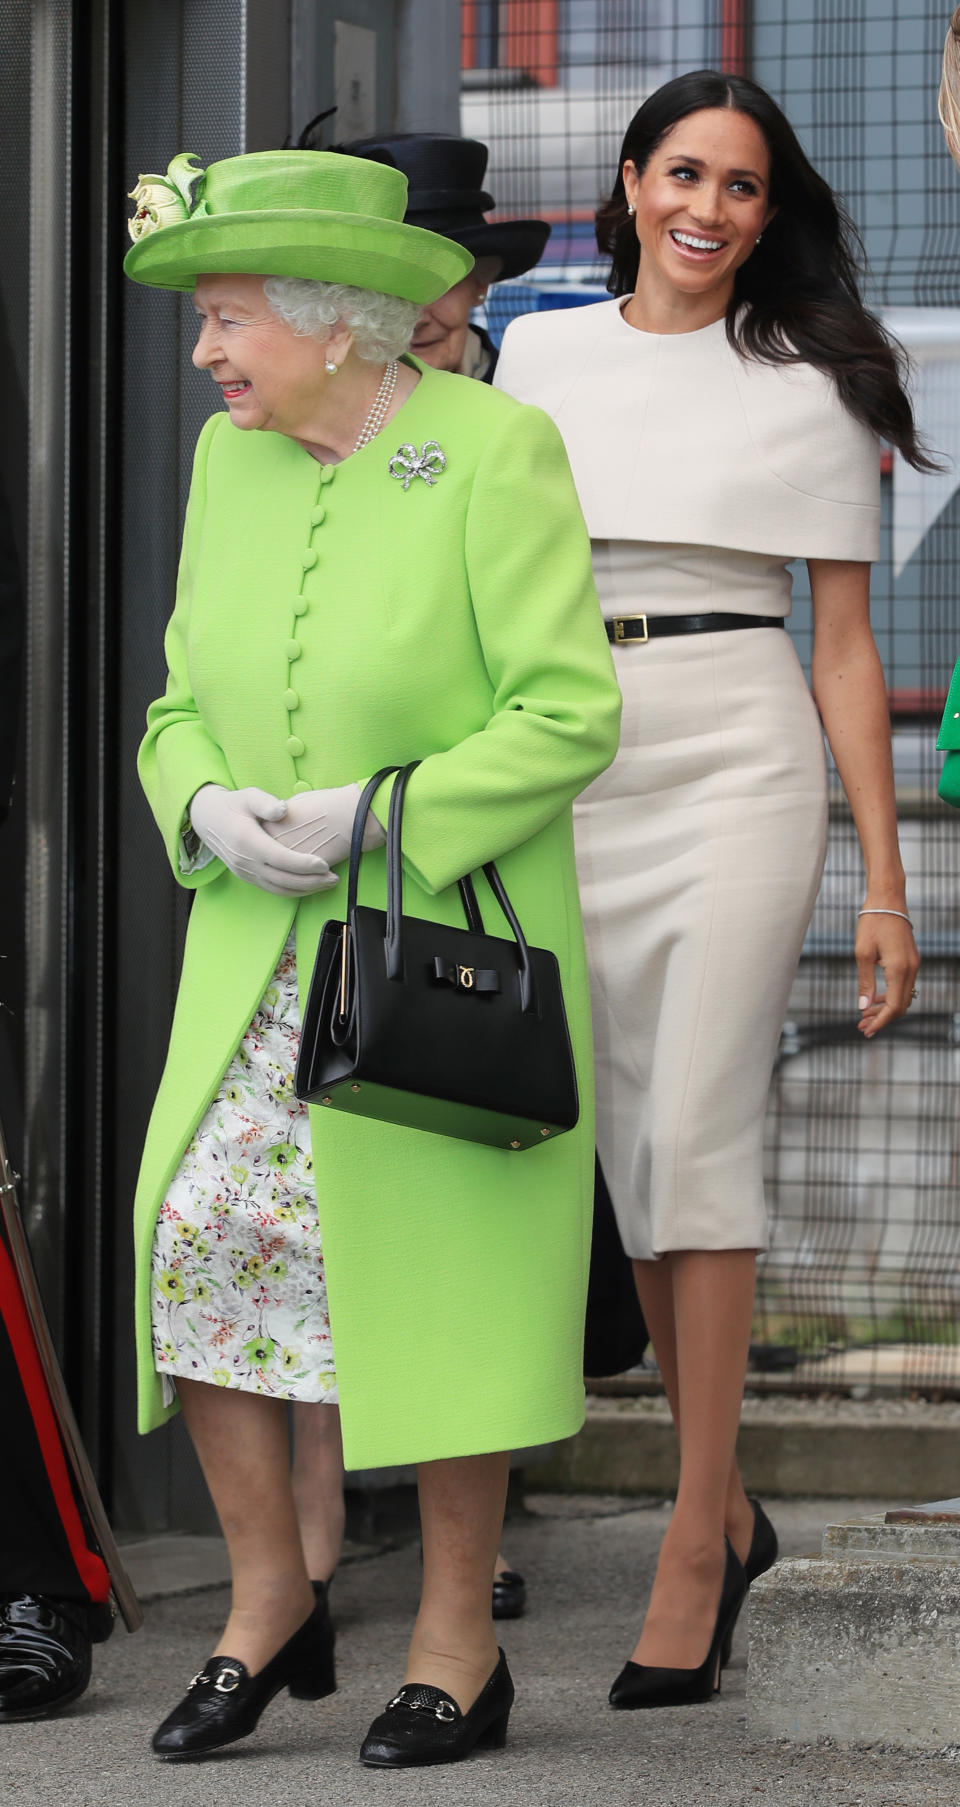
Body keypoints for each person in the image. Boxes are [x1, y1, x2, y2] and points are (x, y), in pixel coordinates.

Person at [124, 148, 621, 1764]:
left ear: (342, 324)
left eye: (230, 318)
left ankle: (456, 1637)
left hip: (434, 946)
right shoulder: (227, 457)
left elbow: (567, 713)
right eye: (206, 320)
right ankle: (269, 1601)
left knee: (433, 1290)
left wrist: (375, 814)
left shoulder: (494, 450)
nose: (208, 352)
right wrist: (201, 795)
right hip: (251, 948)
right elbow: (178, 697)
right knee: (204, 1245)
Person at [495, 69, 924, 1707]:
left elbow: (840, 647)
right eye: (687, 173)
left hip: (744, 756)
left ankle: (690, 1541)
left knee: (704, 1137)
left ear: (766, 211)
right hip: (570, 756)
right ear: (628, 178)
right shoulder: (537, 353)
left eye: (743, 188)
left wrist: (885, 884)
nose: (711, 210)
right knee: (636, 1159)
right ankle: (728, 1505)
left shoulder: (814, 378)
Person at [288, 129, 552, 1625]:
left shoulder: (517, 418)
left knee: (471, 1202)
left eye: (457, 264)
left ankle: (473, 1545)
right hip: (312, 856)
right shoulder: (270, 439)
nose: (439, 291)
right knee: (312, 1208)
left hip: (479, 843)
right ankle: (310, 1564)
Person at [339, 132, 549, 382]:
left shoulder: (527, 397)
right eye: (392, 288)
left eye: (440, 283)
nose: (418, 318)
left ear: (480, 284)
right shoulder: (309, 412)